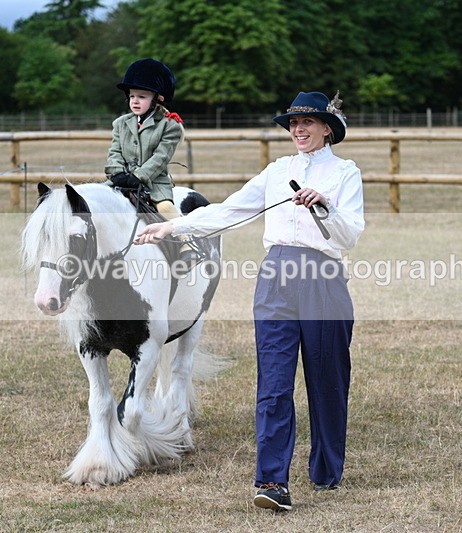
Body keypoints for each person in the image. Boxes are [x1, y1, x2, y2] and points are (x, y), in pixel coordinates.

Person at [134, 91, 365, 511]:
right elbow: (230, 210)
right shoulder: (277, 171)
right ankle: (272, 481)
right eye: (293, 123)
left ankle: (327, 470)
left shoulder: (346, 173)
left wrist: (325, 205)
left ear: (326, 128)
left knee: (327, 382)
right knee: (274, 385)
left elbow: (350, 234)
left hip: (323, 279)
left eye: (307, 123)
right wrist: (174, 229)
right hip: (275, 278)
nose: (298, 129)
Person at [105, 58, 184, 221]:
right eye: (132, 95)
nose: (134, 100)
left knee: (166, 208)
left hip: (154, 184)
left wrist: (138, 176)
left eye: (141, 96)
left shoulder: (169, 125)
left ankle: (184, 241)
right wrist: (117, 172)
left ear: (158, 98)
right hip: (122, 180)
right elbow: (115, 152)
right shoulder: (120, 123)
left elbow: (160, 158)